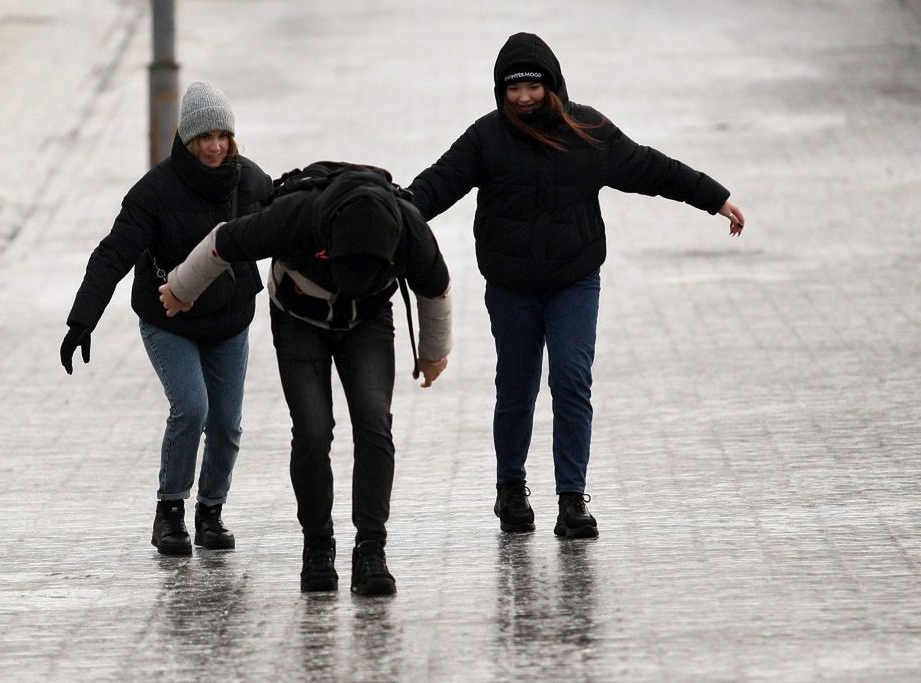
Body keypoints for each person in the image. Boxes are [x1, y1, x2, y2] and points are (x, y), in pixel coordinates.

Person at [407, 33, 746, 539]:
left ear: (552, 86)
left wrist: (713, 197)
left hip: (574, 279)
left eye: (532, 87)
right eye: (512, 89)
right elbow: (434, 186)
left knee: (570, 379)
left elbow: (652, 168)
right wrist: (388, 213)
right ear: (499, 91)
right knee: (516, 388)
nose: (522, 98)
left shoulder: (588, 131)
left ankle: (572, 499)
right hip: (511, 284)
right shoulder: (485, 138)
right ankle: (511, 490)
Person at [159, 162, 452, 595]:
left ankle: (371, 550)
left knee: (374, 422)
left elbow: (435, 289)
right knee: (313, 431)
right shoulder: (295, 216)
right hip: (299, 318)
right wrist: (181, 288)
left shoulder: (408, 227)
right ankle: (317, 548)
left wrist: (432, 354)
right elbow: (223, 242)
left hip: (368, 320)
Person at [60, 82, 272, 556]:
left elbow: (287, 224)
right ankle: (170, 512)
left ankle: (211, 513)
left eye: (223, 135)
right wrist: (83, 318)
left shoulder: (251, 181)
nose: (215, 146)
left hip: (230, 320)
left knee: (226, 423)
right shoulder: (154, 191)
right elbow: (113, 253)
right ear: (187, 139)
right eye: (204, 137)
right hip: (168, 320)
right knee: (192, 407)